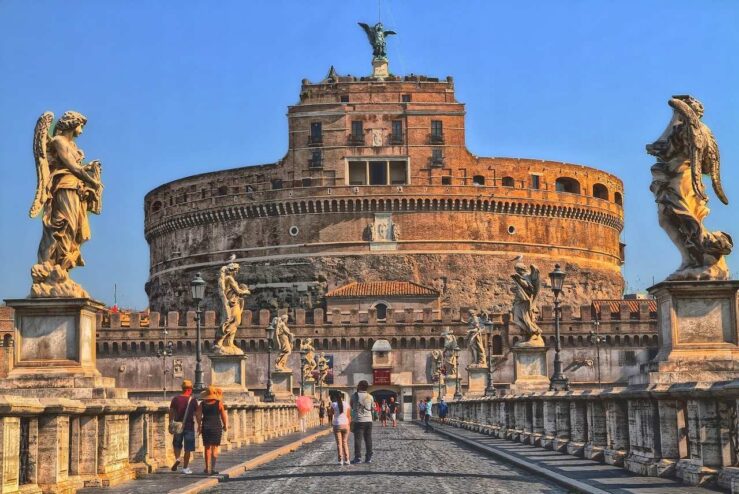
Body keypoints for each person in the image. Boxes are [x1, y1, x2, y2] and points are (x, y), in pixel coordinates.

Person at [196, 385, 228, 475]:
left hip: (206, 426)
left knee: (207, 448)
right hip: (216, 426)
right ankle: (213, 469)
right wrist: (225, 425)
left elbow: (198, 416)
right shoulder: (219, 403)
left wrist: (199, 425)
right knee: (215, 448)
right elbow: (223, 416)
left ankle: (207, 468)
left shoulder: (202, 404)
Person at [169, 380, 197, 474]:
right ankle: (185, 468)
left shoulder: (175, 399)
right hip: (189, 426)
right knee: (188, 448)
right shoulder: (192, 400)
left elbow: (171, 412)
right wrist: (200, 425)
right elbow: (197, 414)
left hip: (178, 426)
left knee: (177, 444)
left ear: (182, 388)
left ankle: (177, 459)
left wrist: (170, 423)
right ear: (189, 389)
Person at [350, 380, 374, 464]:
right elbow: (372, 408)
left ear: (359, 386)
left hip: (359, 420)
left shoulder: (354, 396)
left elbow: (351, 406)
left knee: (358, 440)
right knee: (368, 439)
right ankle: (368, 458)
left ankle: (358, 458)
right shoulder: (370, 396)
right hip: (369, 420)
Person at [329, 390, 351, 465]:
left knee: (339, 444)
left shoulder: (334, 404)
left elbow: (331, 413)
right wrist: (349, 424)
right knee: (345, 442)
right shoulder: (346, 404)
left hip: (337, 424)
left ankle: (340, 460)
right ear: (342, 397)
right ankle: (347, 459)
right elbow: (348, 415)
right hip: (345, 424)